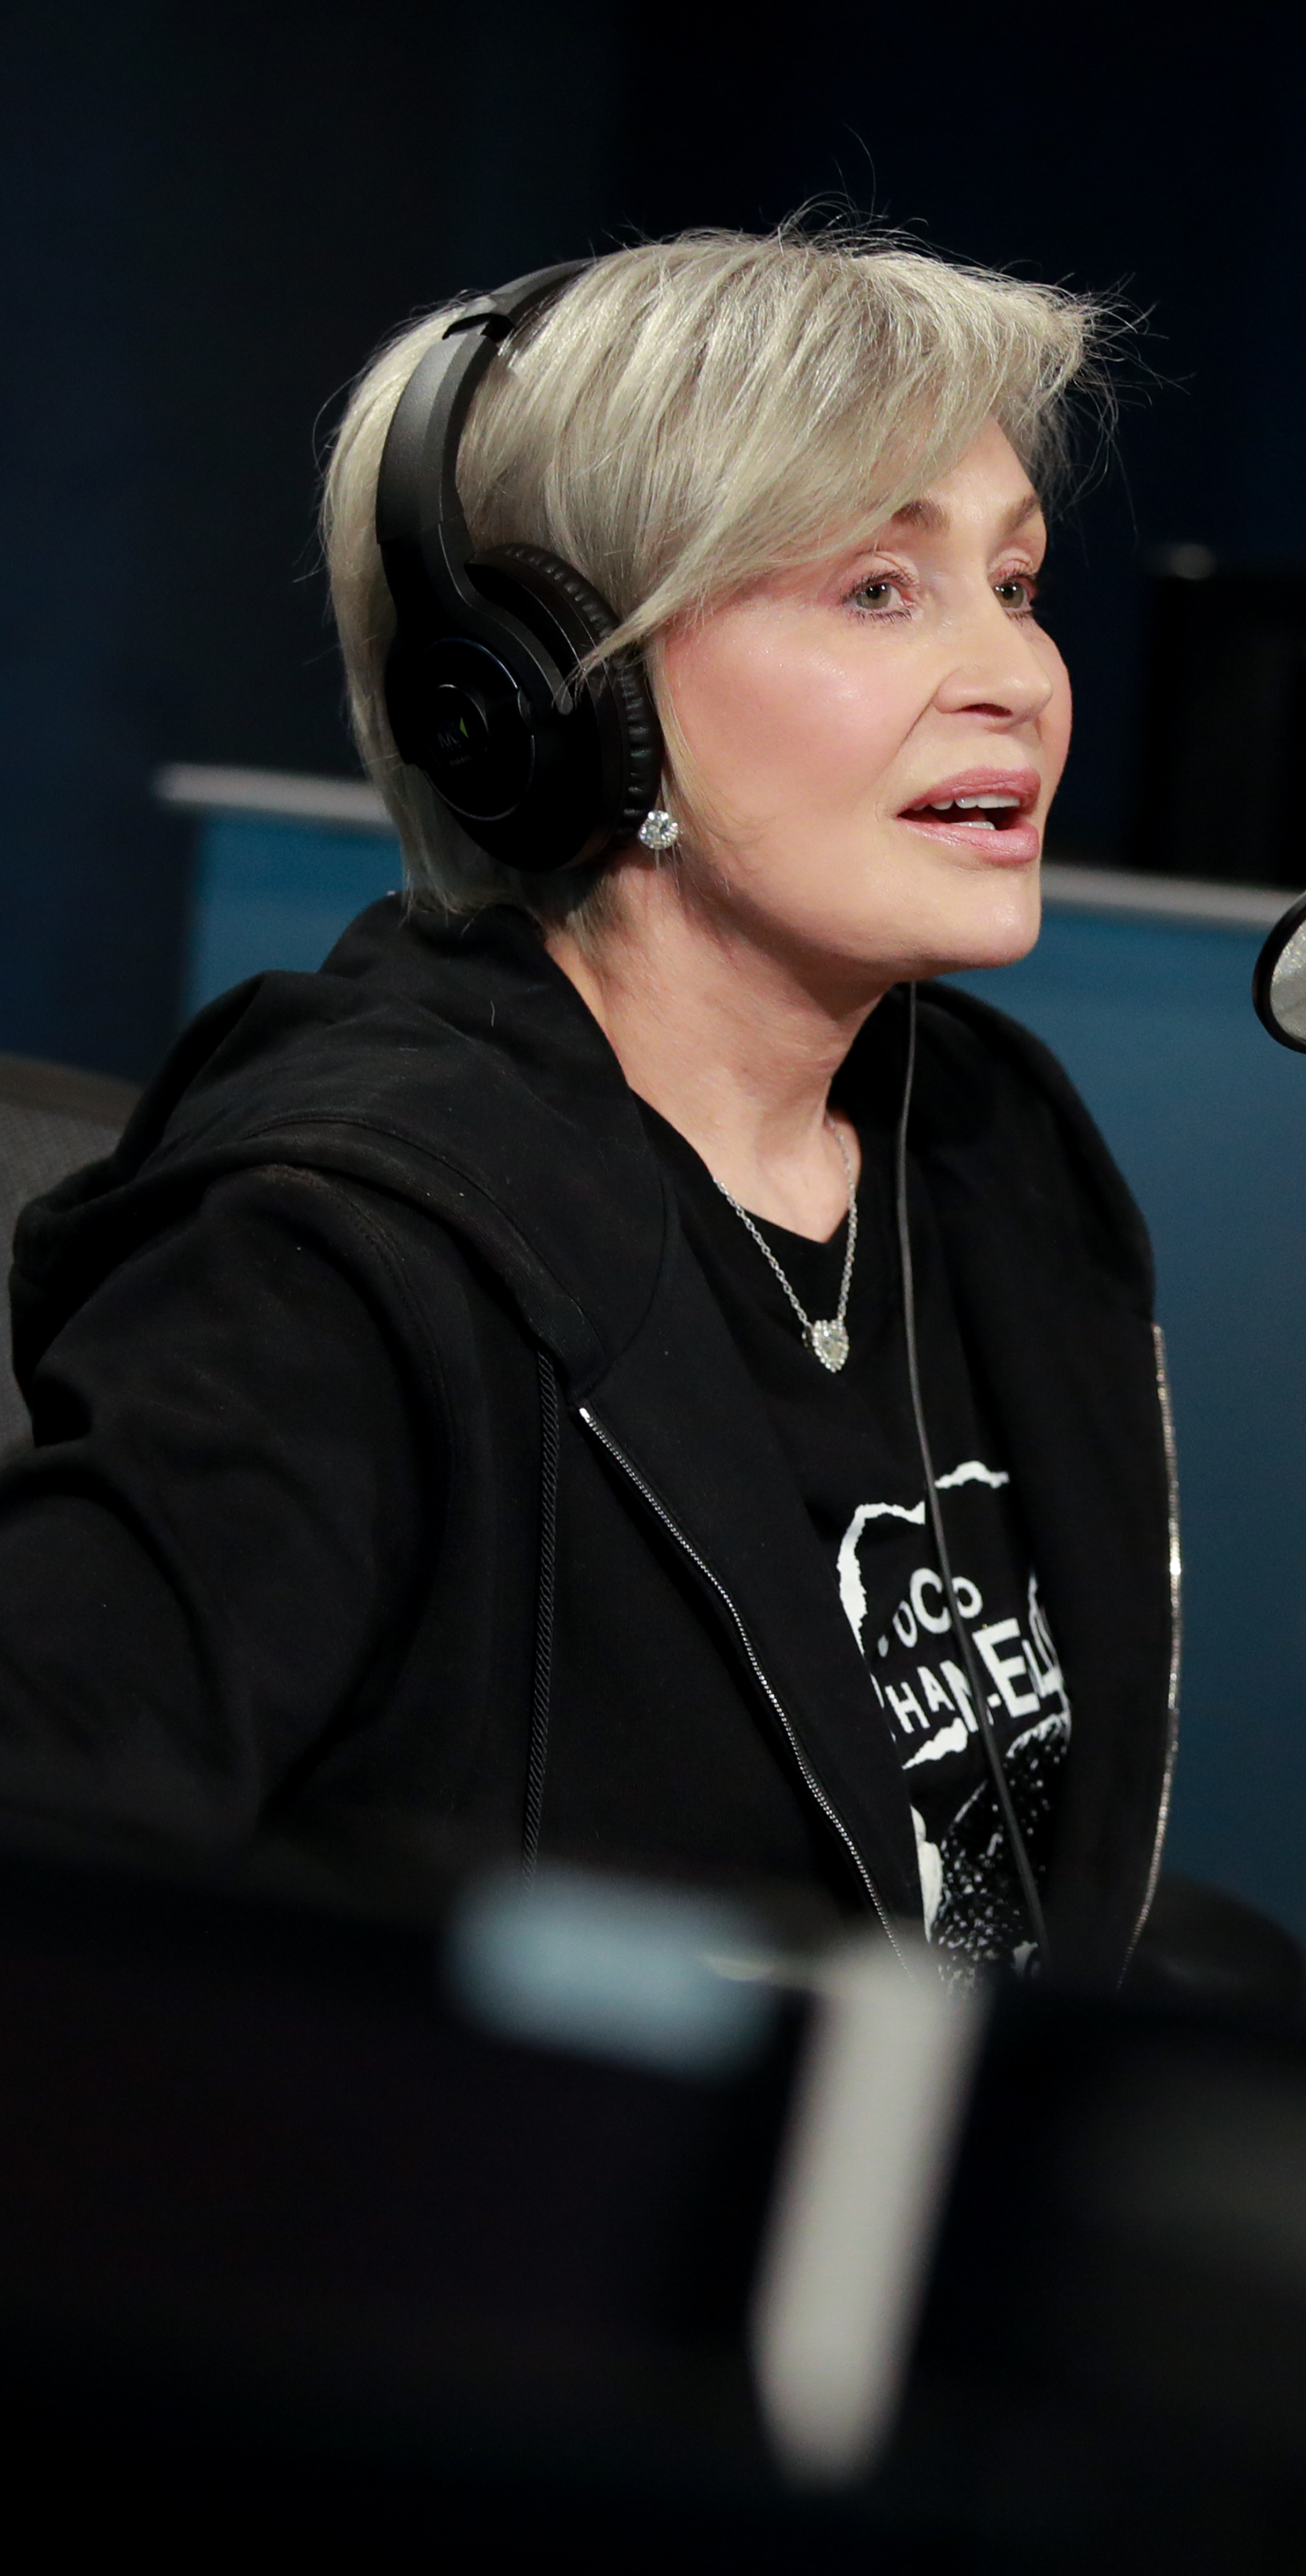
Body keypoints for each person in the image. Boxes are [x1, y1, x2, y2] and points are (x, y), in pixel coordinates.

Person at [0, 230, 1178, 1988]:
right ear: (554, 702)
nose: (1015, 674)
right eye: (878, 588)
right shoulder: (336, 1251)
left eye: (1015, 582)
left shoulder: (993, 1151)